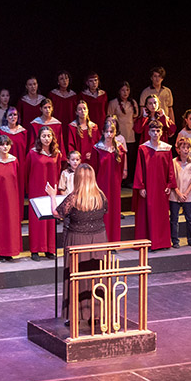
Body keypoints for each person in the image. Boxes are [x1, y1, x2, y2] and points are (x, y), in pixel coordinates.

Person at [46, 163, 107, 324]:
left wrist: (52, 196)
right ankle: (96, 314)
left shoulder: (73, 198)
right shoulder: (101, 196)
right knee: (97, 275)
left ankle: (76, 314)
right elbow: (104, 211)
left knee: (76, 276)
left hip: (78, 240)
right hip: (99, 240)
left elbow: (57, 214)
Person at [133, 120, 177, 250]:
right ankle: (146, 243)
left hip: (162, 187)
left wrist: (170, 185)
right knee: (146, 214)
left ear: (161, 132)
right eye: (153, 131)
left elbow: (170, 168)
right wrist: (141, 186)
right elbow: (139, 168)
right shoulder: (143, 148)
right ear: (148, 132)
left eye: (158, 131)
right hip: (148, 187)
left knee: (161, 215)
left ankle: (161, 243)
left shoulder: (166, 149)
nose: (155, 133)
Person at [25, 126, 61, 260]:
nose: (47, 138)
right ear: (39, 138)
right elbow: (27, 172)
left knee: (50, 219)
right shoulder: (32, 153)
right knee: (36, 220)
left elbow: (57, 171)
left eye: (49, 136)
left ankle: (49, 249)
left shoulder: (56, 153)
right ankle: (35, 250)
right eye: (44, 136)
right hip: (36, 189)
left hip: (50, 190)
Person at [93, 119, 127, 242]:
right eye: (106, 131)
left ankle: (113, 241)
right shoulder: (97, 148)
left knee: (114, 212)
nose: (109, 134)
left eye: (111, 131)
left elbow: (122, 165)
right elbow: (94, 170)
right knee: (102, 213)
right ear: (102, 132)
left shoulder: (119, 148)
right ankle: (101, 241)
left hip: (115, 186)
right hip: (101, 186)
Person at [170, 136, 191, 248]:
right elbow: (172, 179)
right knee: (174, 219)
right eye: (183, 147)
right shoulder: (173, 162)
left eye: (188, 147)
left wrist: (185, 194)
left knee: (189, 219)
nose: (186, 150)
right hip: (175, 195)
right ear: (178, 149)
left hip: (188, 196)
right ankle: (175, 241)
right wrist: (178, 193)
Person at [107, 82, 138, 182]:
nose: (125, 93)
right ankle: (118, 179)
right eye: (123, 90)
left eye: (127, 90)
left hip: (130, 134)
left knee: (129, 158)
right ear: (119, 91)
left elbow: (136, 117)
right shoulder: (113, 103)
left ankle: (128, 180)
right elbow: (109, 118)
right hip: (118, 135)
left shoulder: (132, 102)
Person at [0, 107, 28, 195]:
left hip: (20, 165)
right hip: (3, 164)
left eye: (15, 115)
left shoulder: (23, 132)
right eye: (10, 115)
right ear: (6, 117)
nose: (13, 117)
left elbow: (27, 150)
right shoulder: (0, 132)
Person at [68, 100, 101, 172]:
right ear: (76, 112)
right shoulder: (73, 127)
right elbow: (70, 145)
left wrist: (93, 154)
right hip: (78, 161)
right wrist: (75, 159)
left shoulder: (94, 127)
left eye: (84, 108)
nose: (82, 111)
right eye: (80, 109)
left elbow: (99, 144)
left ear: (88, 110)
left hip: (92, 160)